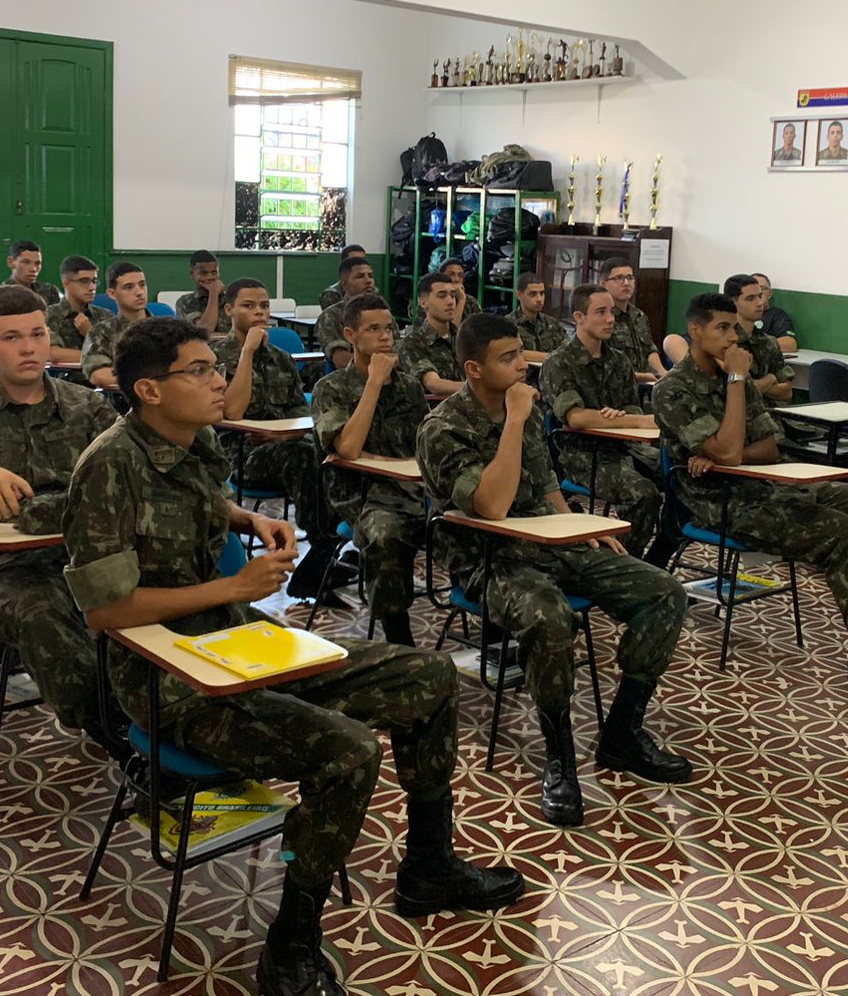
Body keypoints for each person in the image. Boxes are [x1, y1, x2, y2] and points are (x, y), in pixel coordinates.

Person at [64, 317, 524, 996]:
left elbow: (198, 501)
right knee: (346, 751)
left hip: (239, 644)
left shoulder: (190, 443)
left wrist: (247, 519)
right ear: (149, 390)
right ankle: (291, 943)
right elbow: (104, 612)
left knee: (425, 674)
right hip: (172, 680)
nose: (218, 380)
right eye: (199, 371)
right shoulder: (108, 463)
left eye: (213, 366)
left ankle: (429, 864)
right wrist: (232, 586)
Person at [416, 314, 693, 827]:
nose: (523, 365)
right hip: (487, 557)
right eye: (508, 359)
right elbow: (493, 507)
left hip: (549, 543)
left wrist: (579, 527)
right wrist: (516, 421)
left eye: (521, 353)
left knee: (663, 593)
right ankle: (559, 755)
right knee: (550, 618)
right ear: (474, 369)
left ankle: (622, 733)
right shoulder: (444, 428)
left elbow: (546, 491)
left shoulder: (523, 400)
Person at [653, 294, 848, 737]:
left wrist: (725, 454)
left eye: (735, 328)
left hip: (773, 486)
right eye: (722, 329)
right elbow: (732, 449)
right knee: (845, 535)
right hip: (726, 504)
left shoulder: (741, 382)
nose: (734, 337)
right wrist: (734, 392)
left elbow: (767, 448)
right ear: (695, 331)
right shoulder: (673, 390)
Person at [0, 284, 119, 744]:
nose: (29, 348)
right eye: (12, 338)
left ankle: (179, 716)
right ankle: (118, 734)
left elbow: (127, 480)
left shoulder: (86, 406)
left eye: (37, 334)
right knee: (43, 614)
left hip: (90, 555)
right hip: (3, 572)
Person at [311, 294, 431, 645]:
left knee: (474, 525)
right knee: (385, 534)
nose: (385, 337)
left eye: (389, 328)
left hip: (413, 487)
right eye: (373, 329)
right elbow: (347, 449)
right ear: (351, 334)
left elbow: (426, 445)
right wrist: (374, 383)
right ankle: (398, 636)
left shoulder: (408, 386)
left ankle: (494, 629)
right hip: (361, 492)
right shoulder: (330, 388)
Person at [213, 278, 338, 601]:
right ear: (229, 310)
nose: (259, 312)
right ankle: (323, 543)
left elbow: (301, 411)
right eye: (248, 306)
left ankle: (329, 546)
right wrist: (248, 351)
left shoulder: (282, 358)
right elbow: (233, 411)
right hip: (239, 456)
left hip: (286, 446)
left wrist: (278, 433)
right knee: (302, 456)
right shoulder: (215, 357)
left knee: (328, 455)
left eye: (264, 306)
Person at [539, 283, 668, 562]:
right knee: (643, 494)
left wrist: (621, 417)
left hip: (623, 448)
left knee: (681, 477)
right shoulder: (559, 362)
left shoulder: (619, 361)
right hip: (580, 454)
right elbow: (577, 418)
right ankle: (618, 564)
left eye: (611, 312)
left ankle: (655, 561)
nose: (610, 319)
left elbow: (630, 406)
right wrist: (631, 421)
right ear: (579, 317)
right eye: (600, 312)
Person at [724, 274, 793, 403]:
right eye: (750, 299)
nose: (759, 303)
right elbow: (731, 392)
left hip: (769, 416)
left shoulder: (768, 342)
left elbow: (787, 391)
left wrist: (752, 385)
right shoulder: (725, 342)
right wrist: (769, 380)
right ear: (732, 303)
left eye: (760, 296)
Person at [81, 262, 152, 388]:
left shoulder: (166, 329)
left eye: (142, 285)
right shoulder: (102, 332)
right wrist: (151, 379)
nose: (139, 292)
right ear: (112, 294)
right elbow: (99, 375)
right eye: (129, 287)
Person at [599, 257, 665, 382]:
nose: (626, 283)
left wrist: (661, 373)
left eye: (630, 278)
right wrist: (644, 377)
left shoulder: (639, 315)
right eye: (619, 278)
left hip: (646, 383)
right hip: (616, 384)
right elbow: (602, 365)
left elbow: (649, 350)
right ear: (603, 284)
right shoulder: (602, 318)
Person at [398, 272, 464, 397]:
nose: (450, 301)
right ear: (423, 303)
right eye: (442, 296)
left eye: (453, 295)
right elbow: (434, 385)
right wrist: (480, 388)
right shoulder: (413, 343)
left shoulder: (463, 337)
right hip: (437, 412)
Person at [316, 255, 380, 371]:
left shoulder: (381, 313)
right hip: (348, 379)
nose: (368, 281)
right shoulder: (330, 316)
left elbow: (396, 351)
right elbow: (341, 360)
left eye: (371, 276)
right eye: (360, 277)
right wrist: (378, 369)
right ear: (344, 285)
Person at [45, 255, 109, 367]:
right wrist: (100, 355)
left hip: (101, 380)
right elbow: (53, 354)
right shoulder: (50, 314)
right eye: (84, 281)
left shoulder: (105, 316)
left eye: (94, 281)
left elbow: (117, 353)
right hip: (65, 380)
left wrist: (90, 332)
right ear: (66, 283)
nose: (91, 287)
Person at [508, 272, 567, 363]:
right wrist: (553, 356)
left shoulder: (552, 323)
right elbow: (516, 353)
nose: (539, 299)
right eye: (533, 294)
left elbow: (568, 350)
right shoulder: (509, 324)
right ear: (519, 295)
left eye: (542, 293)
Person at [175, 249, 231, 336]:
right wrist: (214, 293)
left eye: (214, 273)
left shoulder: (231, 299)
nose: (210, 277)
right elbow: (204, 330)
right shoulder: (185, 302)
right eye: (203, 273)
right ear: (192, 274)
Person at [5, 239, 61, 306]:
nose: (33, 269)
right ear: (11, 262)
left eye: (37, 263)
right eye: (26, 262)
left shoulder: (49, 291)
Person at [753, 273, 798, 353]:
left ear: (769, 293)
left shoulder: (777, 315)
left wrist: (756, 346)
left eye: (762, 288)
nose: (758, 293)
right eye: (754, 289)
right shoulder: (737, 314)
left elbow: (790, 344)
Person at [318, 244, 369, 309]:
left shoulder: (370, 290)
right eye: (355, 260)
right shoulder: (331, 294)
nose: (361, 264)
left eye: (363, 260)